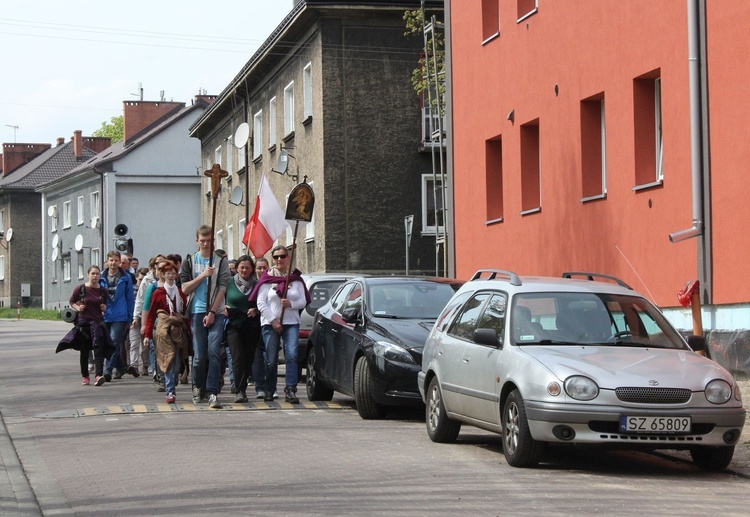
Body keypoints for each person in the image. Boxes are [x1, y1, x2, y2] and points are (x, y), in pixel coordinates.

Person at [252, 245, 310, 404]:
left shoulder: (296, 278)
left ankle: (290, 389)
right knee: (271, 359)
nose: (279, 260)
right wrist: (274, 321)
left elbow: (303, 300)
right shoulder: (266, 278)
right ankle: (269, 389)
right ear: (272, 259)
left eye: (282, 256)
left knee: (291, 355)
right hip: (270, 324)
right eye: (276, 257)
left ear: (288, 258)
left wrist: (290, 303)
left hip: (291, 323)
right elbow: (261, 303)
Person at [180, 225, 230, 408]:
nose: (206, 243)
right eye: (203, 240)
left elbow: (223, 287)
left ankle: (212, 391)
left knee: (214, 352)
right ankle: (197, 387)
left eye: (209, 240)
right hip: (196, 310)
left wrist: (212, 312)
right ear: (197, 241)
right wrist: (203, 275)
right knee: (200, 355)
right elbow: (185, 288)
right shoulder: (190, 261)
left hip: (215, 311)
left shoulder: (220, 260)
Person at [56, 265, 115, 386]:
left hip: (97, 323)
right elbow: (72, 301)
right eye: (93, 273)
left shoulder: (103, 291)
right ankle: (85, 376)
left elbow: (105, 304)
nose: (95, 276)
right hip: (83, 325)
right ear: (88, 275)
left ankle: (99, 375)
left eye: (97, 274)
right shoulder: (81, 289)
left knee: (99, 349)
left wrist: (104, 307)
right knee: (84, 351)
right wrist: (78, 307)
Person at [143, 260, 189, 404]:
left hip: (177, 329)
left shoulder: (180, 293)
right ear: (162, 275)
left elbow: (184, 312)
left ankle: (173, 380)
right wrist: (147, 335)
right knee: (168, 359)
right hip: (163, 329)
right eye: (167, 273)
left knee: (176, 361)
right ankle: (170, 391)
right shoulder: (158, 293)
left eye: (173, 273)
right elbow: (151, 314)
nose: (170, 276)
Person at [224, 255, 261, 403]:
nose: (244, 270)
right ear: (237, 268)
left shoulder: (258, 284)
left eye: (247, 267)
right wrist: (222, 308)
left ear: (252, 269)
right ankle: (240, 390)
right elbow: (219, 298)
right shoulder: (229, 283)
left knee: (248, 358)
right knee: (237, 356)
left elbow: (264, 302)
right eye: (241, 267)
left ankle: (243, 384)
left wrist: (256, 310)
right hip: (233, 325)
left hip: (251, 326)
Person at [101, 250, 138, 382]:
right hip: (105, 314)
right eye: (111, 260)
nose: (113, 263)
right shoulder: (101, 277)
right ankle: (121, 367)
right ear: (107, 261)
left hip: (120, 315)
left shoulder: (125, 277)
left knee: (114, 343)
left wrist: (130, 316)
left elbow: (130, 298)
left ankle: (108, 370)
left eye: (116, 260)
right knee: (107, 343)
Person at [252, 257, 269, 398]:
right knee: (257, 358)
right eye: (259, 268)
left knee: (270, 356)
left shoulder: (271, 283)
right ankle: (260, 387)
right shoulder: (252, 284)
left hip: (269, 324)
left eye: (264, 267)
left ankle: (271, 386)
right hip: (254, 326)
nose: (262, 270)